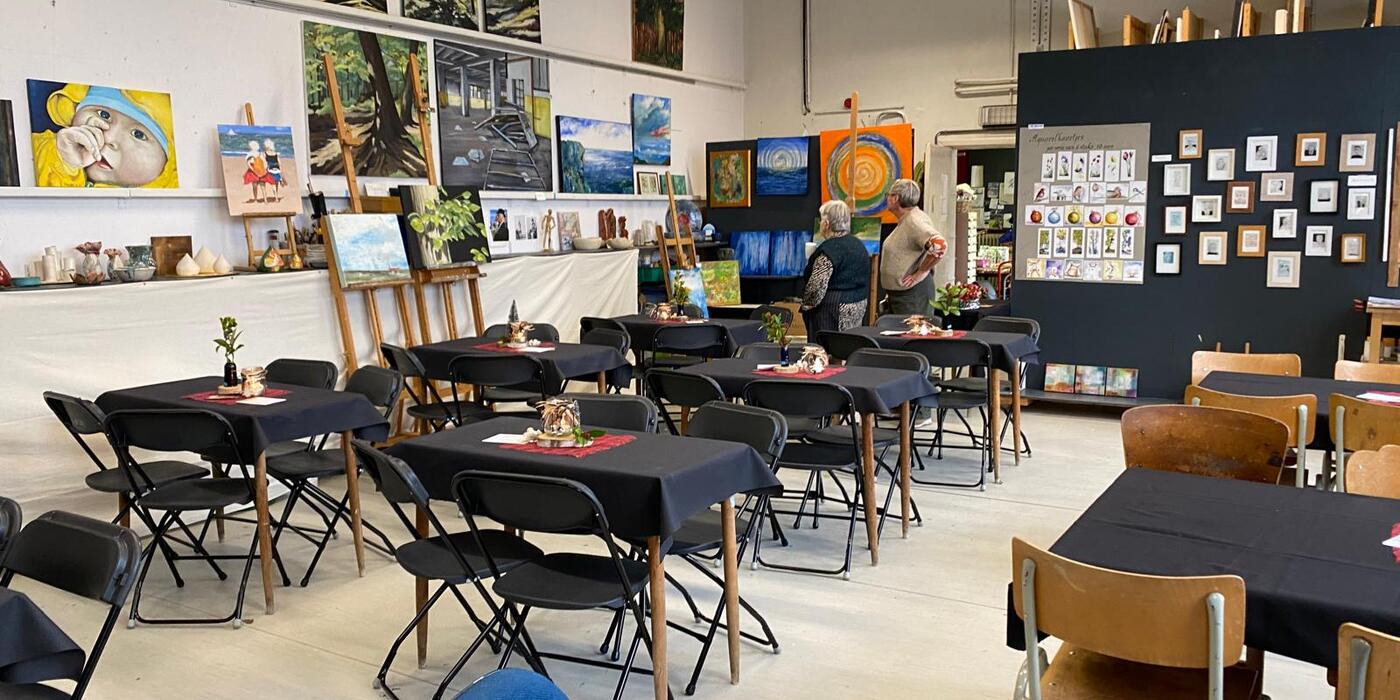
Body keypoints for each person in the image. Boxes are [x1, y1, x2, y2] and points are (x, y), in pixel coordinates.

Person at [31, 84, 180, 188]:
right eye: (103, 115)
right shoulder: (39, 150)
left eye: (139, 134)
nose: (108, 138)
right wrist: (64, 162)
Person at [801, 200, 870, 336]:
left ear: (826, 224)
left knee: (829, 347)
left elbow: (816, 287)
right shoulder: (858, 245)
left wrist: (806, 305)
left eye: (821, 220)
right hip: (858, 305)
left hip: (833, 311)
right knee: (849, 344)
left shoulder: (829, 250)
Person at [879, 179, 947, 316]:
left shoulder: (913, 221)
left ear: (896, 198)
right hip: (904, 295)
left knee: (912, 330)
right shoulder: (908, 219)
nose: (887, 198)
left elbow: (940, 245)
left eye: (888, 195)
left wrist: (920, 273)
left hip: (912, 297)